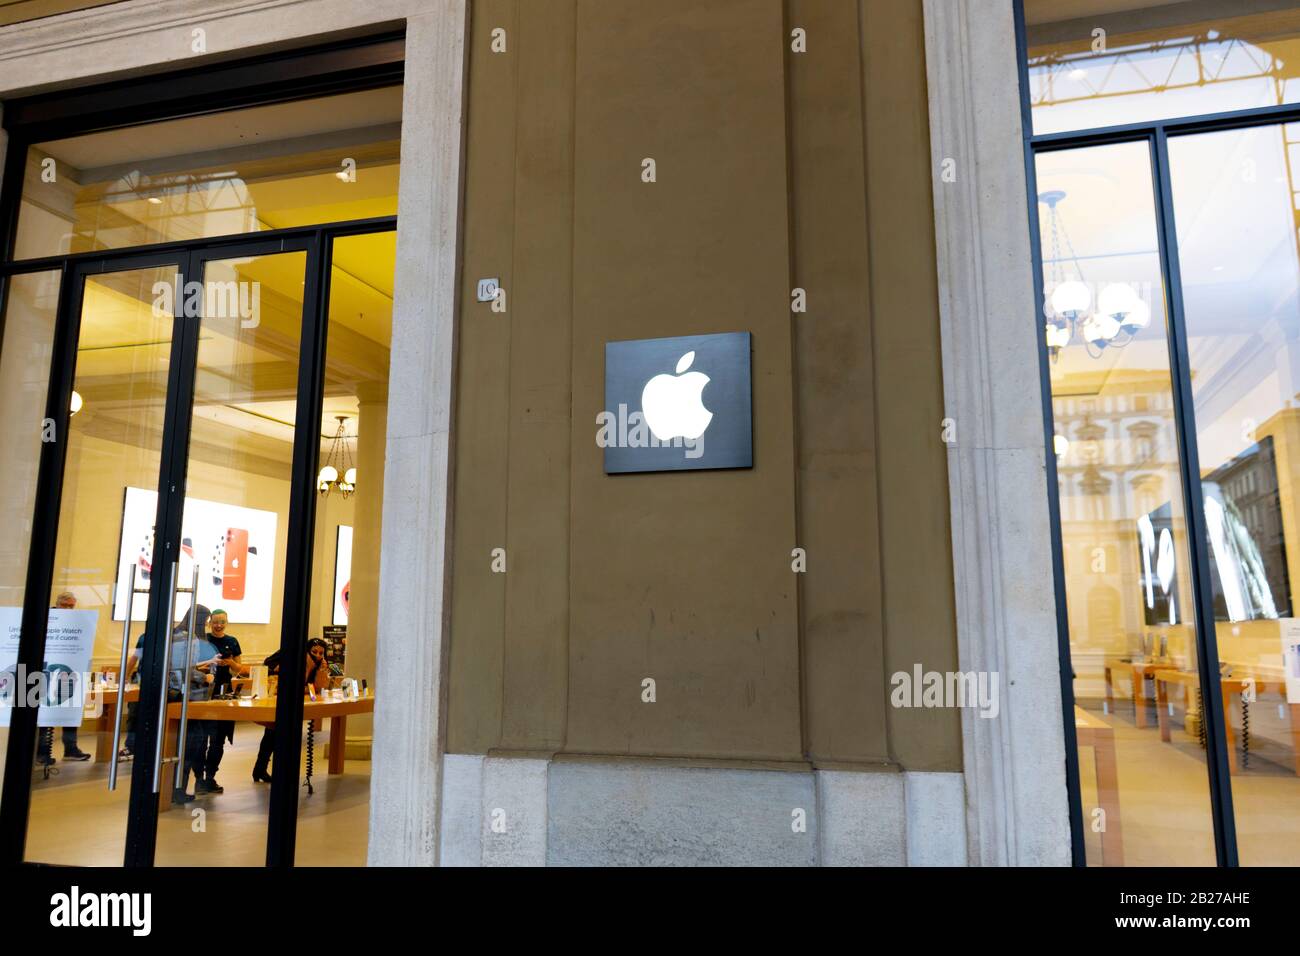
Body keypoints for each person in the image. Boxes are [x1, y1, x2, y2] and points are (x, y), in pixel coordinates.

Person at [251, 638, 331, 784]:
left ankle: (260, 769)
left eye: (321, 653)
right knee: (273, 734)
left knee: (272, 734)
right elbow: (294, 684)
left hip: (291, 702)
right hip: (277, 699)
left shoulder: (317, 665)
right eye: (314, 652)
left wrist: (321, 671)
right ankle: (262, 769)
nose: (318, 656)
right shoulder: (294, 656)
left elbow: (317, 688)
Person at [37, 592, 93, 766]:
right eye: (66, 605)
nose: (69, 609)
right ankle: (42, 752)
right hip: (46, 672)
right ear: (58, 604)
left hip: (68, 673)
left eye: (72, 606)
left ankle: (71, 749)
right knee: (46, 715)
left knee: (69, 711)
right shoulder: (48, 618)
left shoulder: (76, 621)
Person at [170, 605, 217, 804]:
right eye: (205, 621)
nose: (206, 625)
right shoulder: (184, 637)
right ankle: (176, 789)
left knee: (191, 743)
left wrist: (200, 665)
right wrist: (202, 675)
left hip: (188, 696)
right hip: (183, 697)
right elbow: (178, 669)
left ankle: (178, 788)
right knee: (189, 744)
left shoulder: (182, 634)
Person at [192, 609, 243, 794]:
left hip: (224, 694)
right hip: (203, 693)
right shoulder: (202, 640)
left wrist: (229, 663)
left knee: (218, 739)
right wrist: (211, 662)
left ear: (227, 622)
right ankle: (198, 779)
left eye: (222, 621)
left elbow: (240, 669)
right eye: (215, 621)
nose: (218, 625)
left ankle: (210, 777)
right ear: (209, 623)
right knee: (200, 738)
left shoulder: (232, 642)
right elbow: (194, 665)